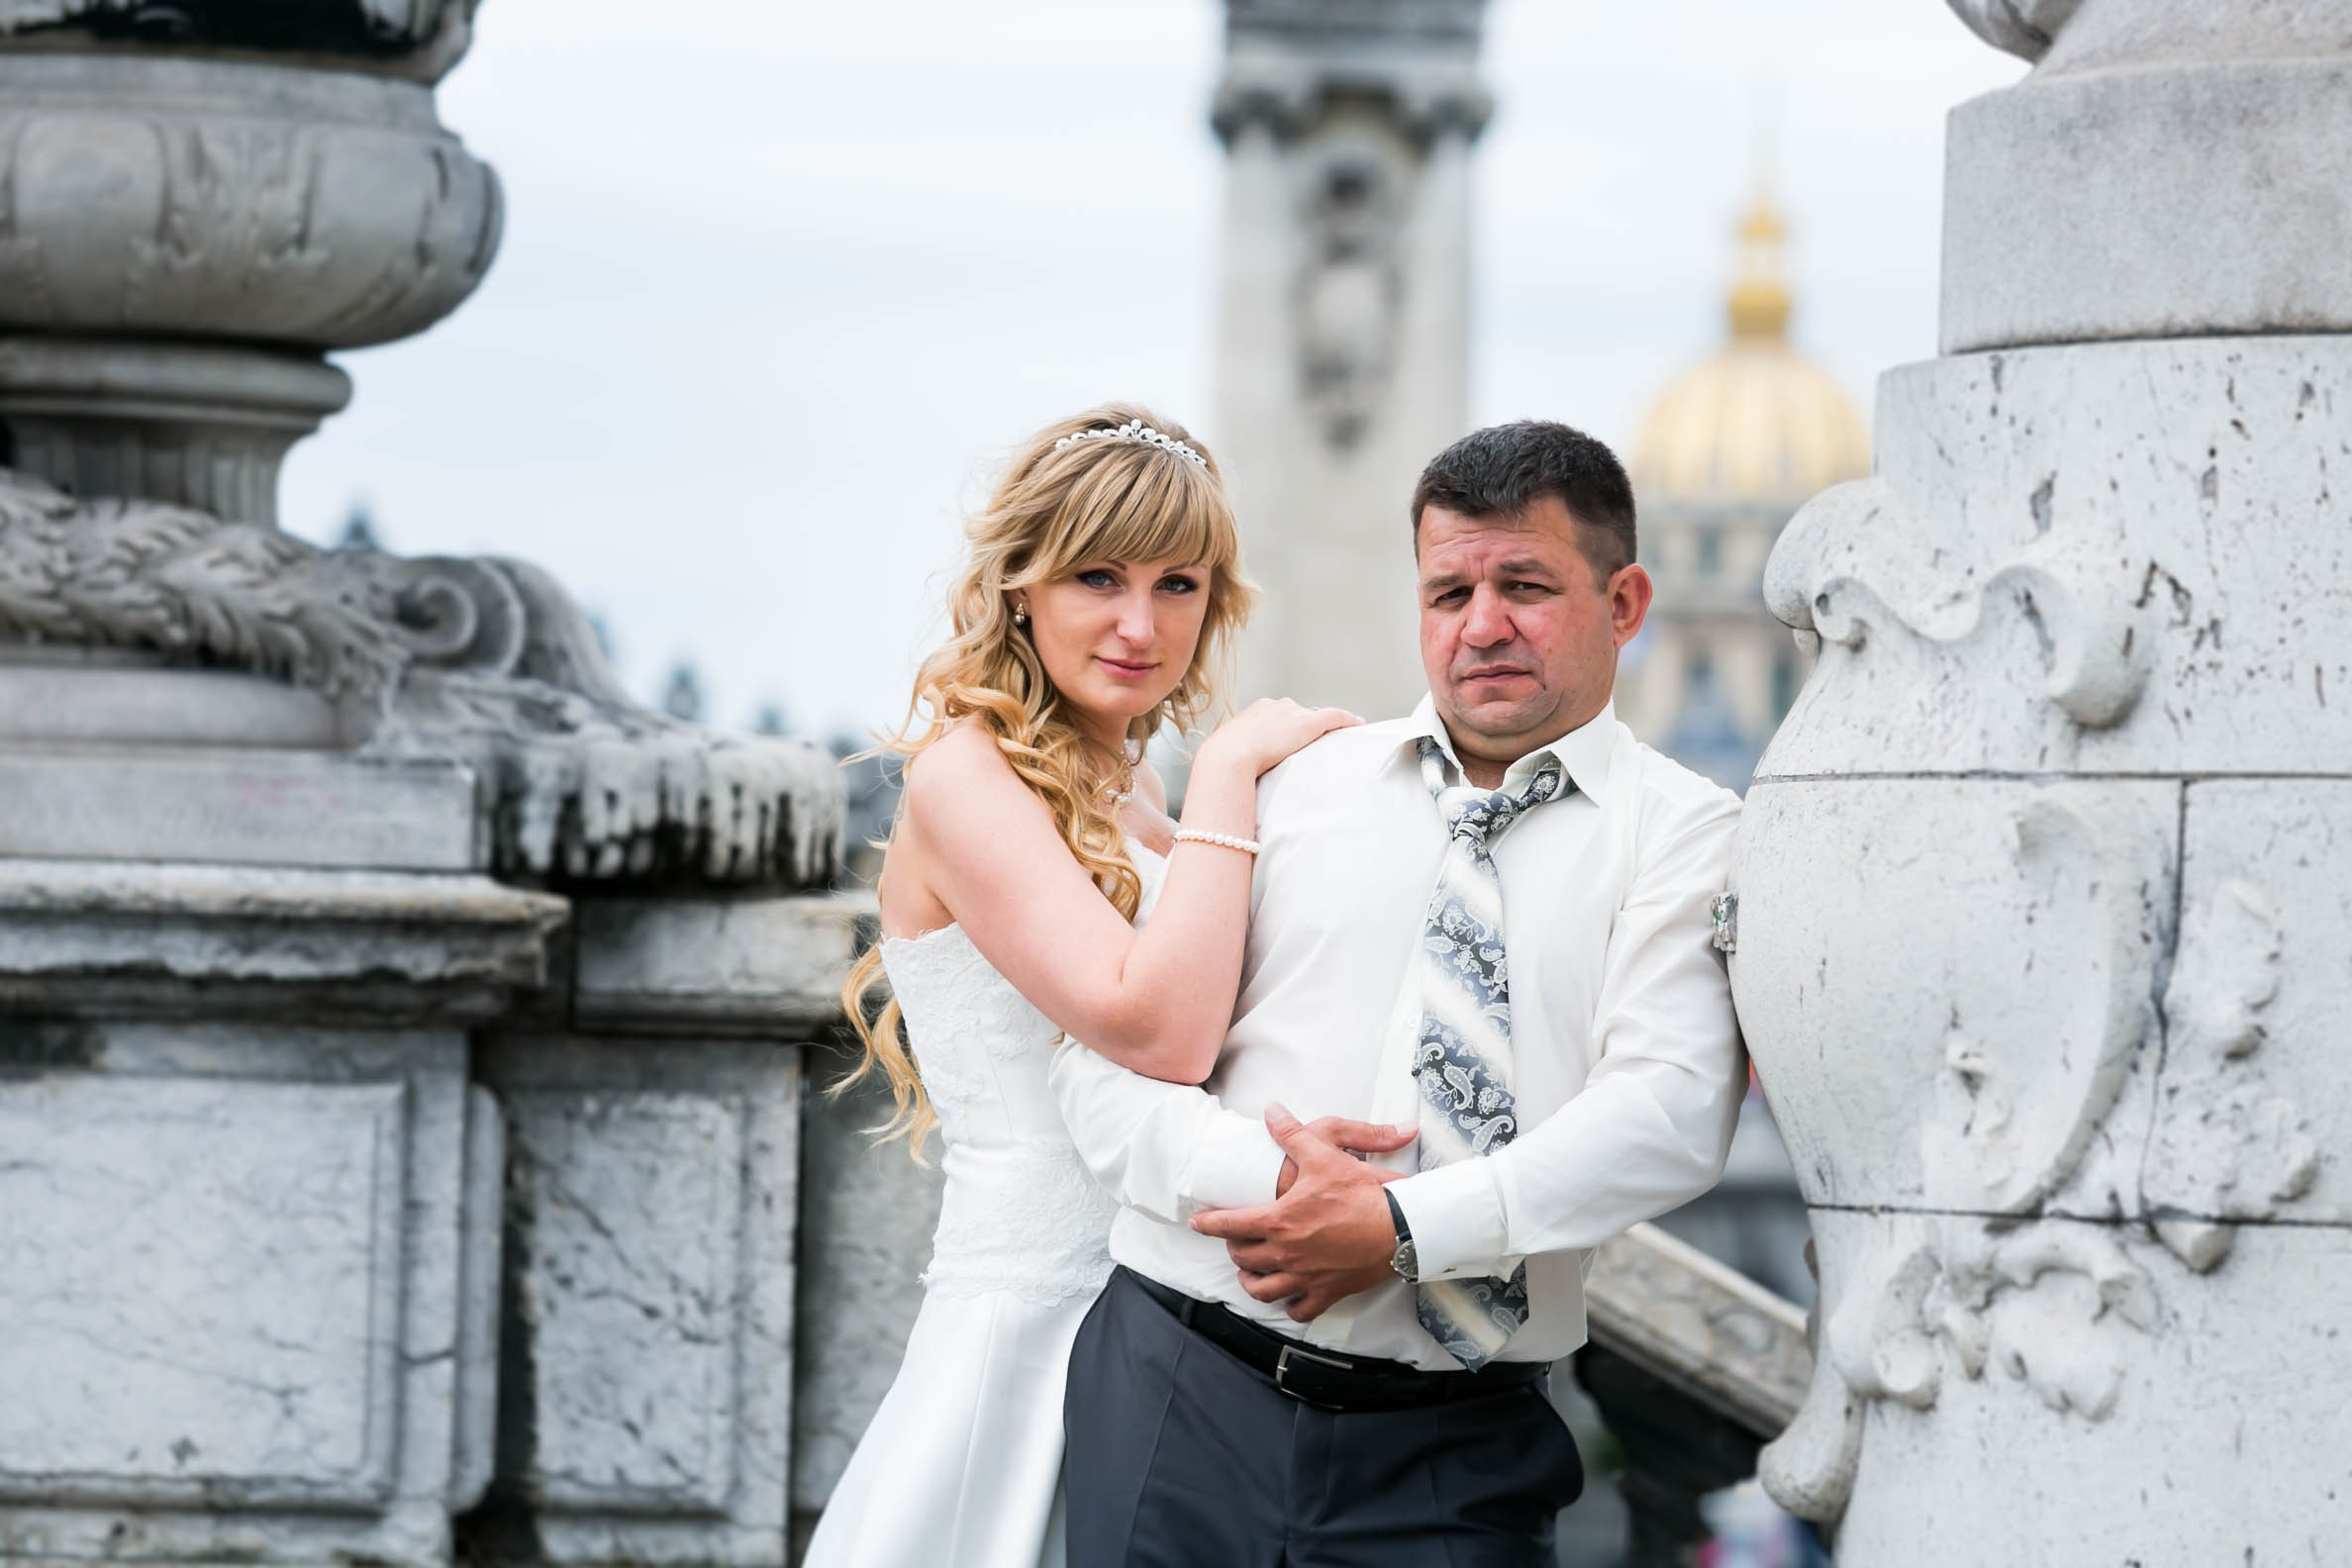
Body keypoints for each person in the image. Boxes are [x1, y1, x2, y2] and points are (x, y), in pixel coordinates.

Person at [1050, 420, 1749, 1566]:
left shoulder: (1692, 838)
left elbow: (1668, 1115)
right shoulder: (1284, 790)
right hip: (1182, 1388)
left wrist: (1401, 1230)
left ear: (1626, 604)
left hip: (1455, 1455)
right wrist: (1276, 1187)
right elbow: (1102, 1066)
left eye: (1524, 585)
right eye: (1448, 592)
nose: (1481, 627)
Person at [804, 404, 1398, 1567]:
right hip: (1025, 1331)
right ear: (1020, 585)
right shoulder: (965, 779)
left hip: (1167, 1327)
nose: (1141, 623)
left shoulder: (1128, 796)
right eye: (1098, 577)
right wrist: (1229, 774)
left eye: (1179, 585)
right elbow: (1155, 1029)